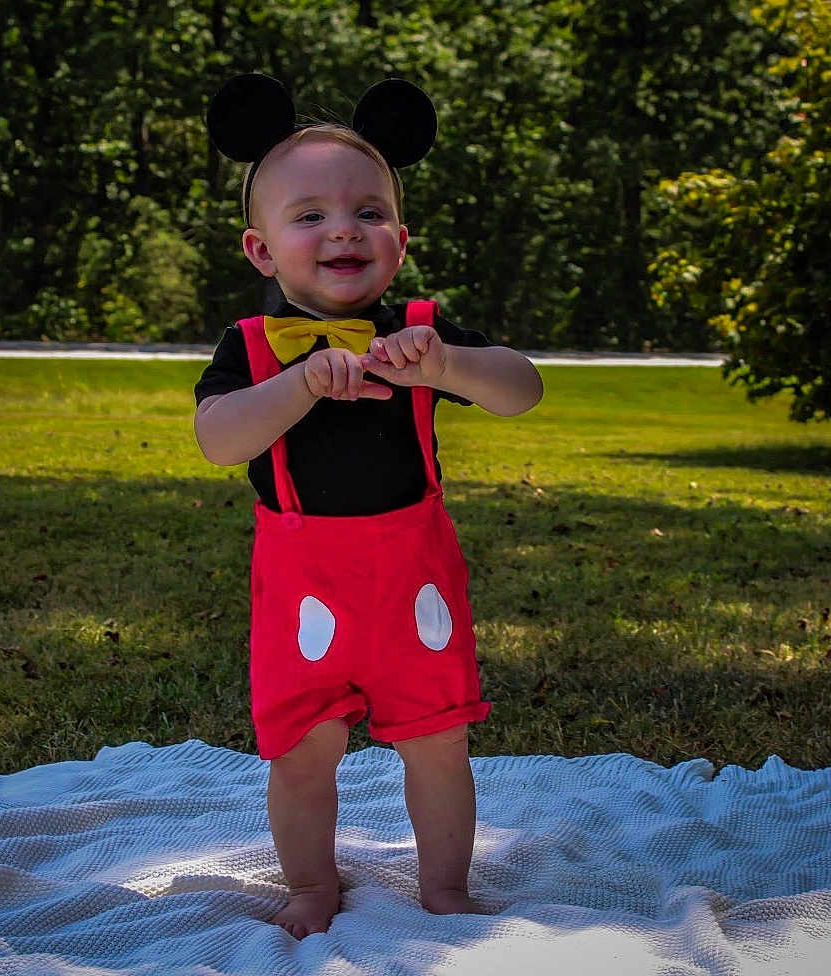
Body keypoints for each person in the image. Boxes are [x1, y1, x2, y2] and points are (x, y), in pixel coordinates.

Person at [194, 75, 543, 940]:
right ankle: (311, 883)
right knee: (302, 750)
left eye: (367, 212)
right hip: (303, 586)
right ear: (262, 250)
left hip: (411, 580)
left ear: (399, 237)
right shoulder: (248, 347)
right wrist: (299, 382)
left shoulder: (420, 333)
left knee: (438, 742)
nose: (342, 228)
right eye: (308, 215)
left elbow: (523, 390)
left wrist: (446, 369)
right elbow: (218, 438)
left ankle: (446, 889)